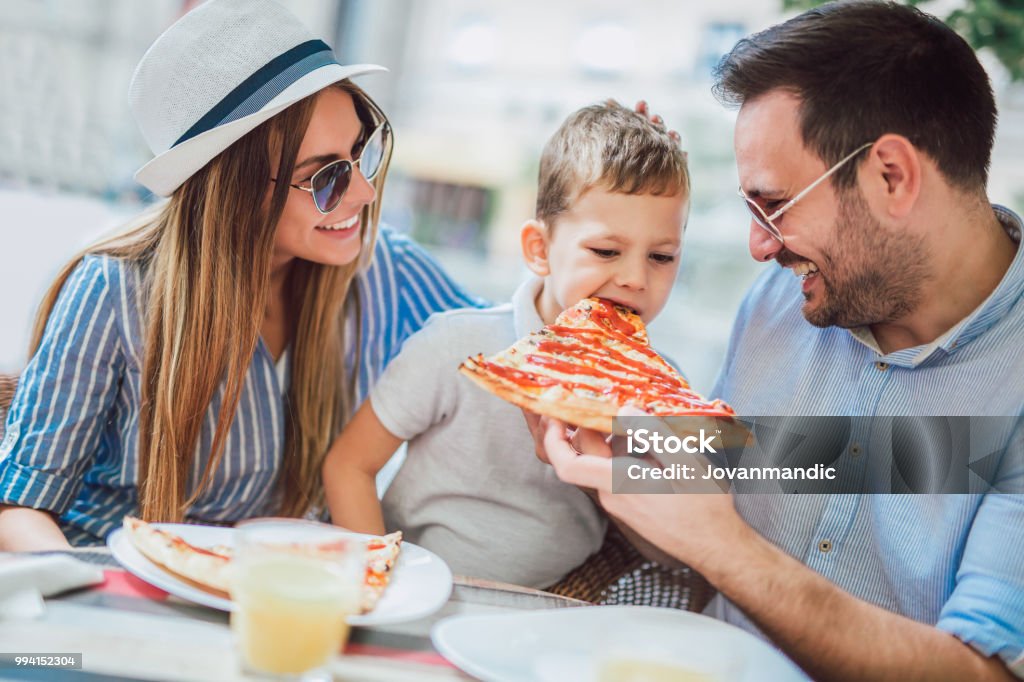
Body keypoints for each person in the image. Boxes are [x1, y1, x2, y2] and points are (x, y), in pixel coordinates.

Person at [529, 2, 1024, 680]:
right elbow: (708, 518)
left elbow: (982, 673)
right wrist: (605, 470)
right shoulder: (784, 302)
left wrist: (725, 546)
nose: (759, 247)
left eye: (775, 203)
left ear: (891, 176)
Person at [0, 0, 480, 551]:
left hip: (271, 591)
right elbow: (20, 507)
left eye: (359, 153)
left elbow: (534, 360)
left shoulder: (381, 267)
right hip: (118, 582)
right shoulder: (112, 291)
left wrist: (610, 474)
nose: (366, 194)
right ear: (237, 191)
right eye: (326, 177)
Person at [322, 101, 690, 588]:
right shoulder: (458, 345)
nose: (635, 278)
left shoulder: (663, 391)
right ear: (539, 250)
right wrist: (379, 586)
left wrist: (607, 470)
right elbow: (349, 465)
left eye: (662, 256)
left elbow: (669, 552)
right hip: (418, 591)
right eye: (606, 251)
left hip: (554, 614)